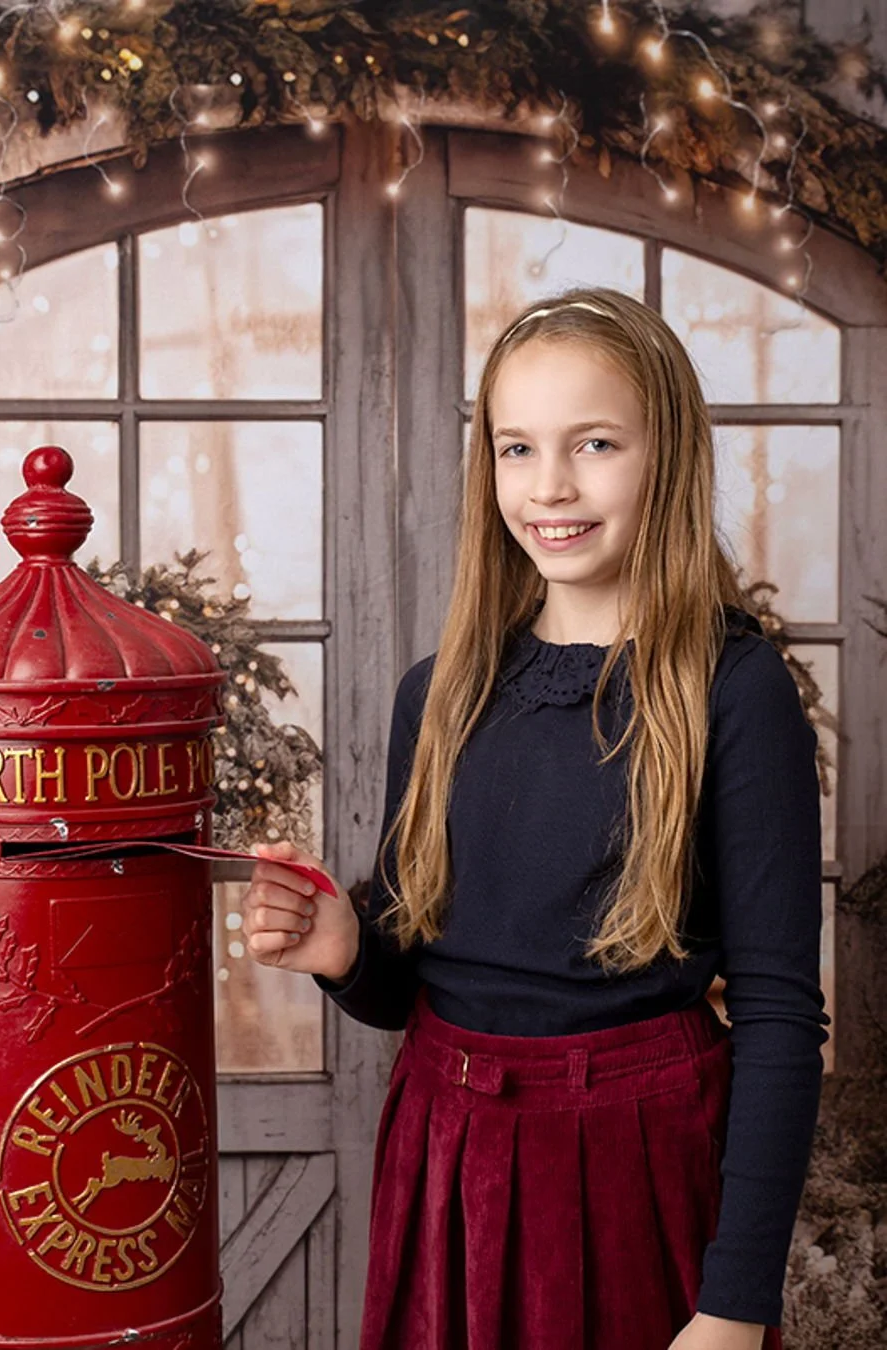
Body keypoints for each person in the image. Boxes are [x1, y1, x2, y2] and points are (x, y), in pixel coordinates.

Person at [238, 287, 830, 1350]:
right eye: (517, 448)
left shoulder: (733, 691)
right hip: (447, 1153)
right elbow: (415, 981)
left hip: (637, 1164)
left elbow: (781, 1016)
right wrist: (344, 950)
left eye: (594, 443)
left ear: (667, 456)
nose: (550, 485)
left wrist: (737, 1301)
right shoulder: (440, 692)